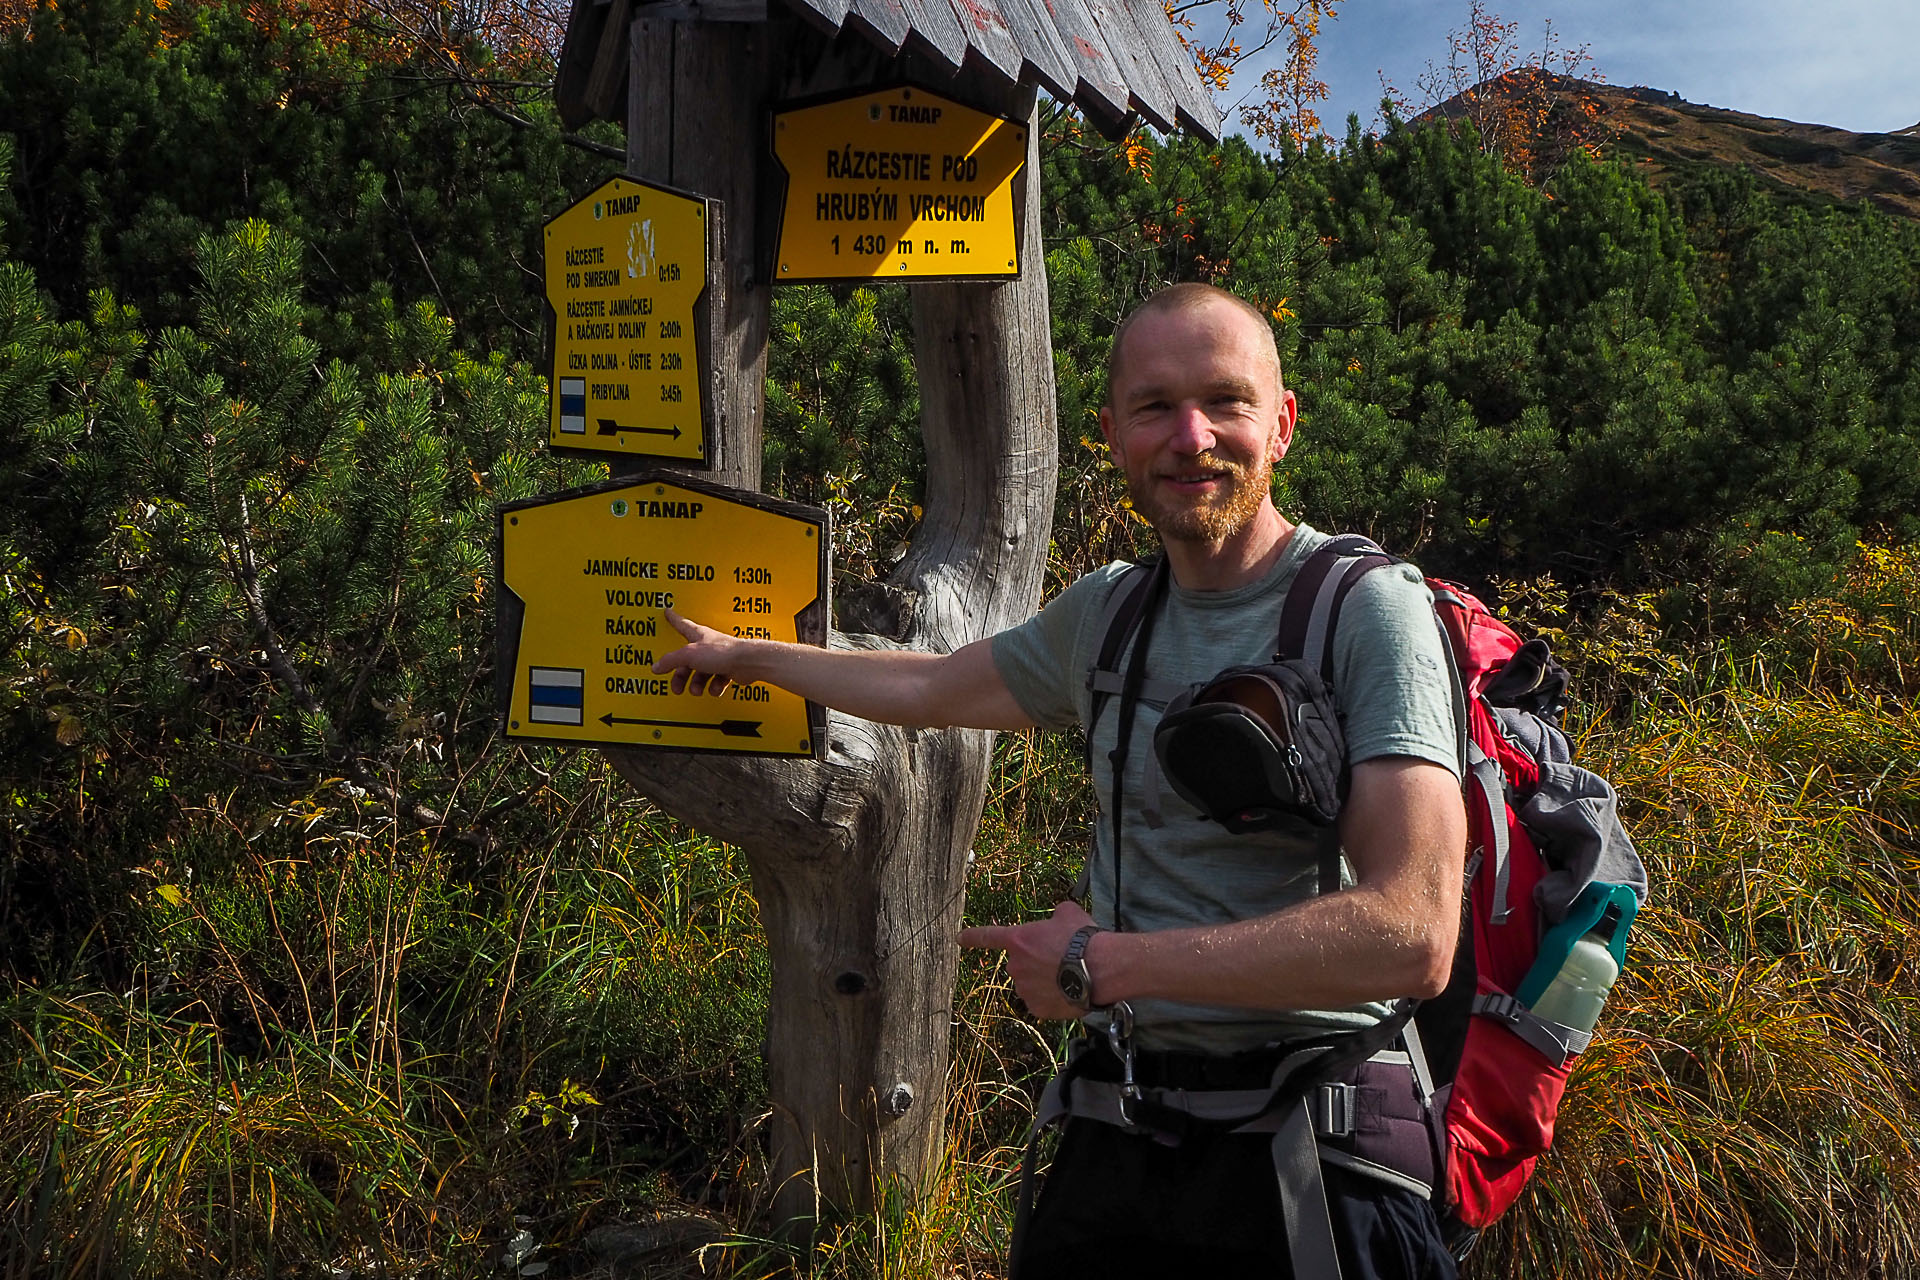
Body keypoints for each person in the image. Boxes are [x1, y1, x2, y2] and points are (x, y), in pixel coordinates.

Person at [653, 283, 1467, 1278]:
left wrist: (1104, 966)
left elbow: (1414, 931)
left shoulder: (1364, 610)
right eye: (1155, 405)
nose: (1192, 435)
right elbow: (937, 684)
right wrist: (758, 658)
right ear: (1111, 432)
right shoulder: (1112, 612)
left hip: (1315, 1156)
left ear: (1283, 423)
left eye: (1227, 402)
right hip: (1120, 1131)